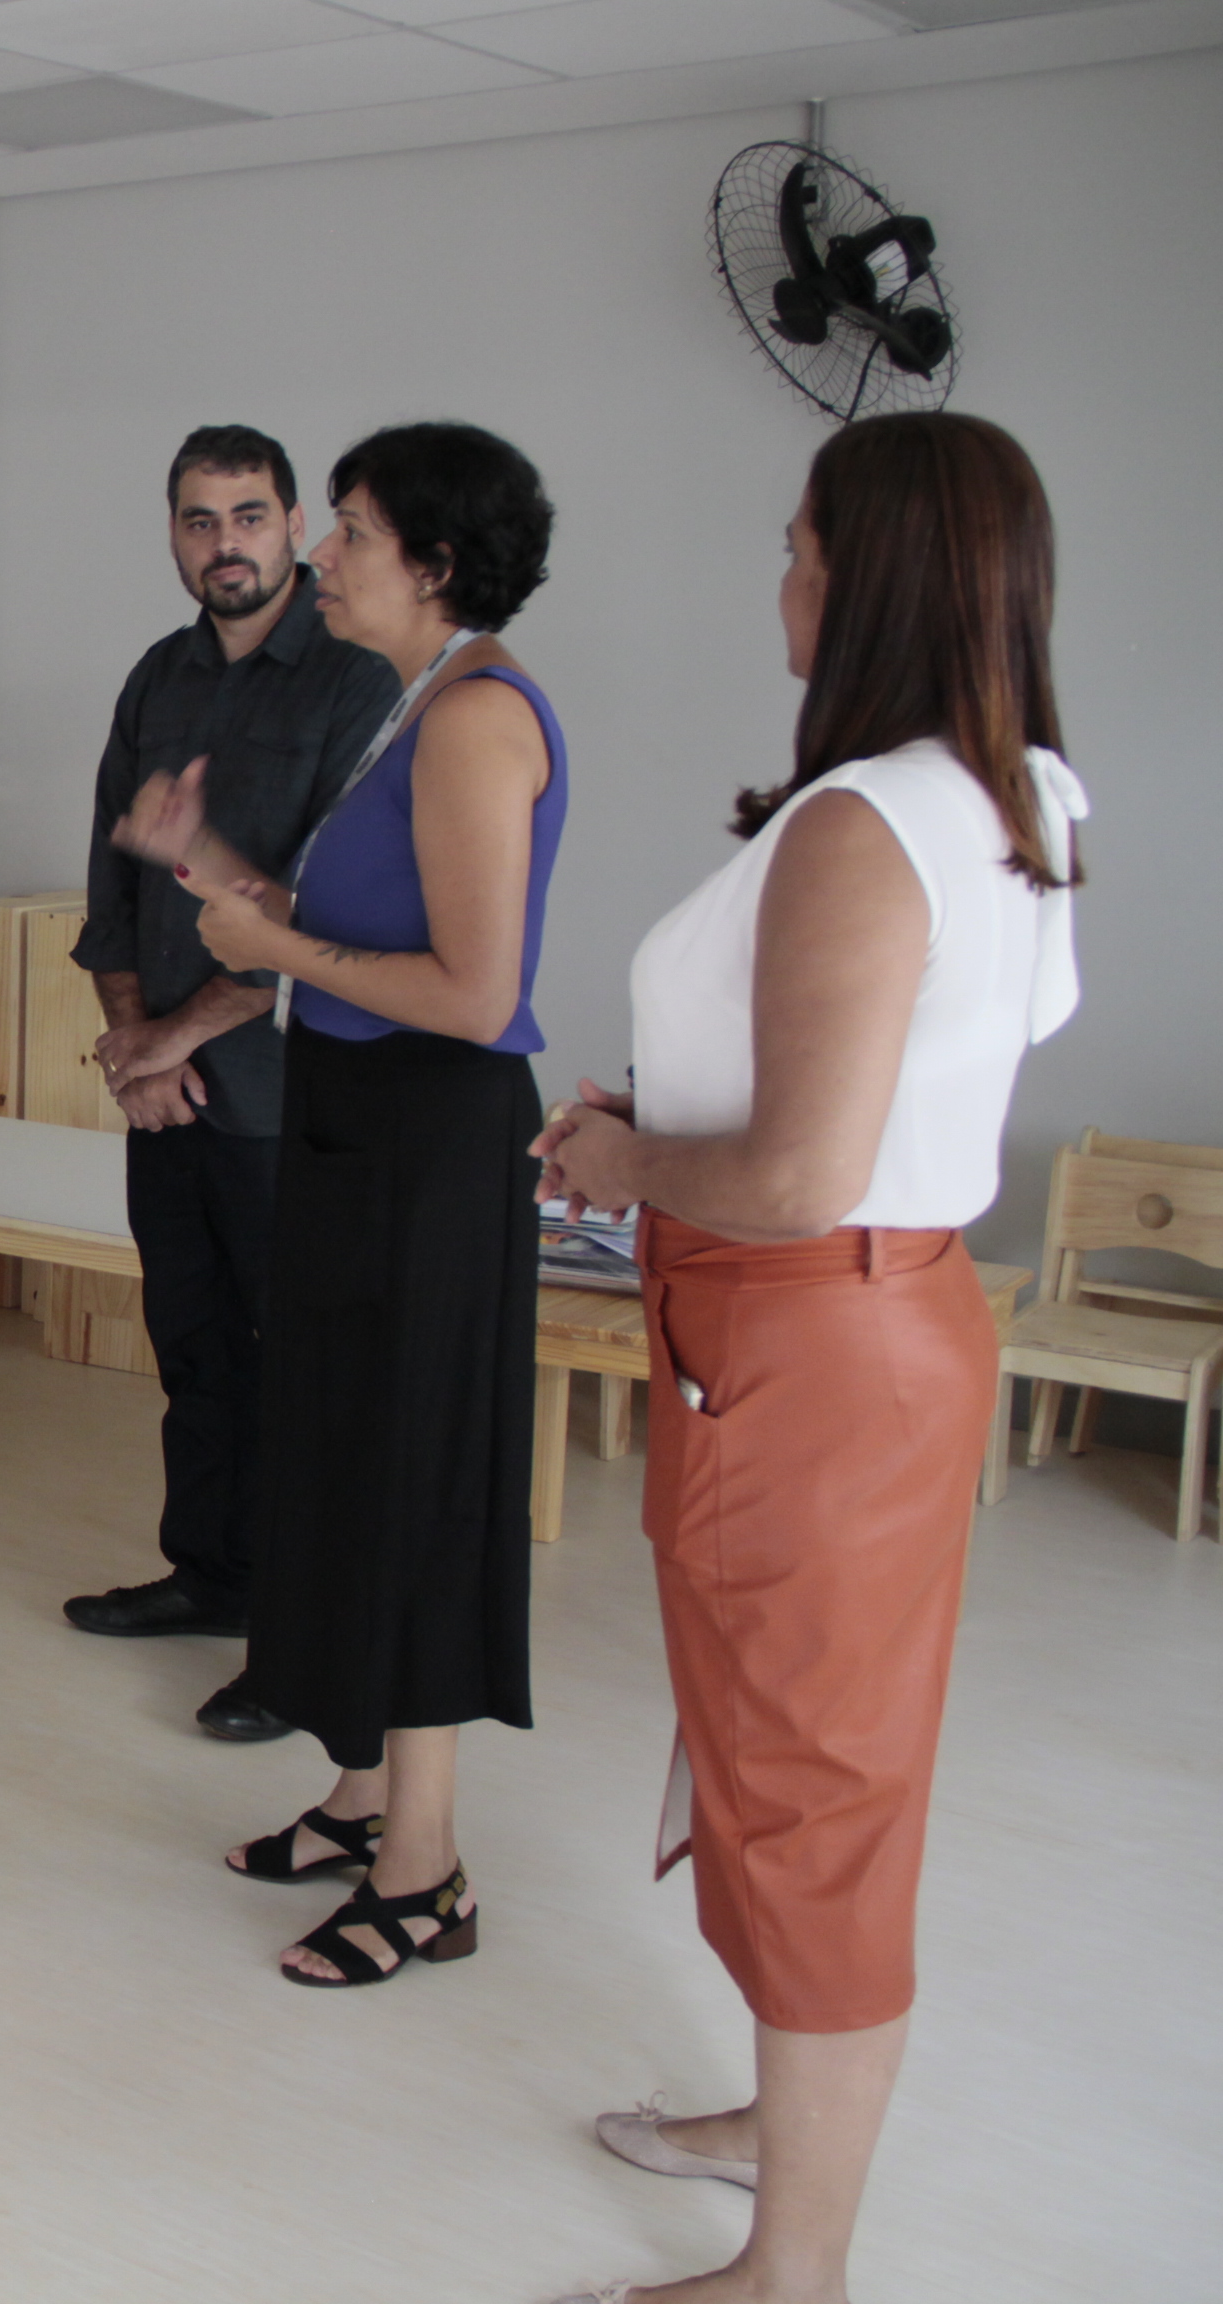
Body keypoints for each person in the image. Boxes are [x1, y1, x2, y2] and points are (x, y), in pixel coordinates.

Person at [532, 414, 1082, 2304]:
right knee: (790, 1756)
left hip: (809, 1328)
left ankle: (798, 2270)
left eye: (799, 547)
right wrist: (661, 1125)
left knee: (810, 1788)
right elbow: (891, 1088)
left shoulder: (866, 823)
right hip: (865, 1320)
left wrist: (622, 1162)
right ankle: (784, 2123)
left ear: (872, 580)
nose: (779, 577)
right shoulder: (1013, 794)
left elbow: (793, 1172)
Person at [119, 421, 563, 1984]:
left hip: (431, 1143)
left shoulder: (478, 717)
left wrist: (275, 951)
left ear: (434, 562)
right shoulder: (417, 704)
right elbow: (347, 920)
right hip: (359, 1125)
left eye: (353, 529)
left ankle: (426, 1872)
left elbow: (474, 993)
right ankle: (364, 1799)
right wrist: (213, 862)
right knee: (350, 1463)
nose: (322, 553)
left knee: (415, 1485)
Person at [62, 425, 400, 1745]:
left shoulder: (356, 681)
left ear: (295, 524)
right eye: (199, 521)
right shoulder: (159, 677)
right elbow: (112, 888)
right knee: (195, 1347)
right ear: (173, 534)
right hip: (169, 1097)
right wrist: (135, 1046)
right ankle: (211, 1575)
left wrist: (176, 1039)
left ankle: (296, 1642)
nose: (226, 544)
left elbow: (328, 915)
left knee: (293, 1368)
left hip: (284, 1096)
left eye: (249, 516)